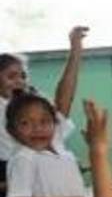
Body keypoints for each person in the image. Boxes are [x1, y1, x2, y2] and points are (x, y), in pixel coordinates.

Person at [0, 25, 87, 162]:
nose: (20, 81)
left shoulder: (34, 100)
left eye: (23, 76)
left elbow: (63, 103)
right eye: (11, 77)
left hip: (55, 163)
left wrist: (75, 49)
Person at [4, 91, 87, 197]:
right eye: (25, 123)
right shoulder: (23, 158)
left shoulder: (64, 154)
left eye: (44, 121)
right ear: (11, 130)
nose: (37, 129)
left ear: (55, 123)